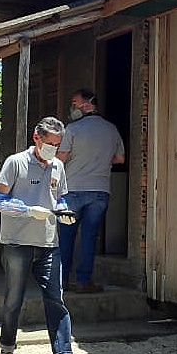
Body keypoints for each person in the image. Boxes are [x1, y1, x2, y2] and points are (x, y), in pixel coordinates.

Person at [0, 116, 82, 354]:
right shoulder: (15, 162)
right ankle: (7, 347)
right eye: (49, 143)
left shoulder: (58, 166)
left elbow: (60, 197)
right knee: (14, 300)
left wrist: (63, 210)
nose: (52, 149)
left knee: (56, 299)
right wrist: (28, 210)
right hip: (17, 242)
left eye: (57, 144)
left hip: (48, 242)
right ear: (36, 138)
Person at [57, 89, 125, 294]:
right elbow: (120, 159)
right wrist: (100, 161)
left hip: (73, 190)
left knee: (66, 236)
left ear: (88, 104)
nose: (73, 107)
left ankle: (61, 281)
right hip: (100, 191)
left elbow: (60, 158)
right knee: (89, 237)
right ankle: (84, 281)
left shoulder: (72, 129)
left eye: (75, 102)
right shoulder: (111, 129)